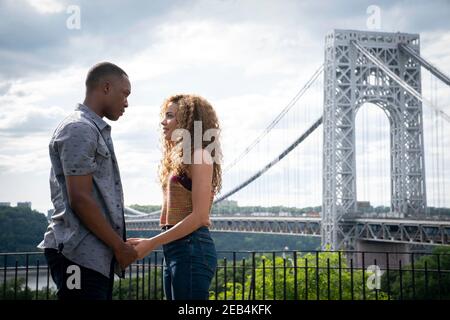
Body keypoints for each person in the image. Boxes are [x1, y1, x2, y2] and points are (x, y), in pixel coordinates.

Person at [37, 62, 137, 300]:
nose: (127, 102)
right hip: (78, 254)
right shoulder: (79, 128)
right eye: (125, 94)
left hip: (93, 256)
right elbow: (80, 199)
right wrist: (119, 246)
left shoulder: (90, 128)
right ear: (106, 87)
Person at [127, 94, 222, 300]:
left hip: (192, 248)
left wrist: (151, 243)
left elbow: (200, 217)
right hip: (175, 248)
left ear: (188, 121)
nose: (163, 122)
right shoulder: (178, 160)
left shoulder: (200, 156)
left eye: (169, 116)